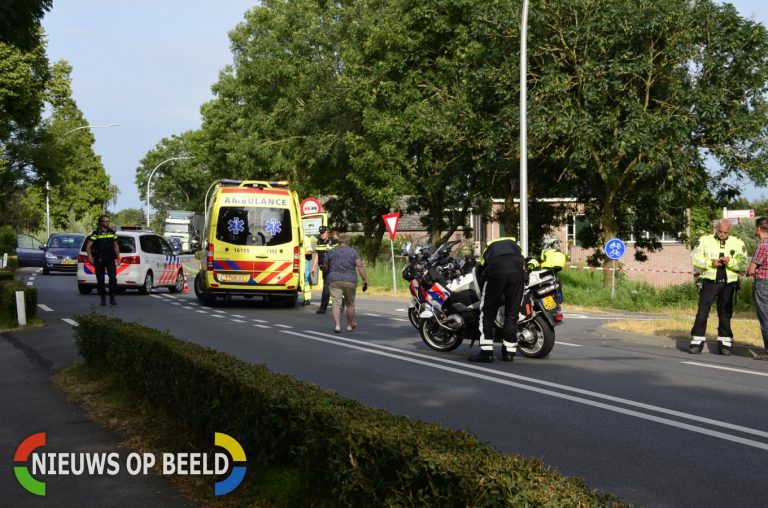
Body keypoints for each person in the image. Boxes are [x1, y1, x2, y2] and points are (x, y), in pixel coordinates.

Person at [689, 219, 748, 355]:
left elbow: (743, 263)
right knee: (702, 312)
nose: (722, 234)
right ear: (716, 229)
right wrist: (710, 263)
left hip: (728, 282)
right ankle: (697, 342)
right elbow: (695, 258)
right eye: (720, 231)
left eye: (725, 232)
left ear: (729, 231)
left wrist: (730, 262)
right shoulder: (705, 240)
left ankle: (725, 344)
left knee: (725, 314)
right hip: (709, 281)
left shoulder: (738, 243)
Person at [470, 237, 526, 363]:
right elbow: (522, 260)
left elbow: (482, 269)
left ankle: (486, 353)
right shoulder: (515, 246)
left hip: (497, 272)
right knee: (512, 315)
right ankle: (509, 353)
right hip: (517, 274)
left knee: (487, 313)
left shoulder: (489, 249)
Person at [322, 234, 368, 333]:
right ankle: (349, 325)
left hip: (334, 280)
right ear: (348, 241)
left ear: (339, 241)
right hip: (350, 280)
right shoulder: (353, 252)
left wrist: (326, 275)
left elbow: (325, 266)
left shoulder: (331, 251)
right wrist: (365, 279)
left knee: (336, 304)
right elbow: (360, 266)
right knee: (350, 304)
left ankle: (337, 326)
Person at [85, 214, 120, 306]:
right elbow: (88, 246)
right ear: (101, 222)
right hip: (99, 258)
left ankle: (112, 297)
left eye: (108, 221)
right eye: (105, 221)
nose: (107, 223)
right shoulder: (96, 233)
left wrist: (118, 258)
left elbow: (116, 246)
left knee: (113, 278)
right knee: (100, 280)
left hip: (110, 258)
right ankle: (103, 298)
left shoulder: (112, 232)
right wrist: (90, 256)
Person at [747, 217, 768, 360]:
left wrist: (747, 270)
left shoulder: (762, 244)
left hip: (763, 284)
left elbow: (751, 269)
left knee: (765, 318)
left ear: (759, 228)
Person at [310, 226, 338, 314]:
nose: (321, 235)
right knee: (329, 287)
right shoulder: (319, 241)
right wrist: (313, 267)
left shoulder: (333, 241)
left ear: (327, 232)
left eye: (323, 233)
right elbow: (317, 255)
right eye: (320, 233)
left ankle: (323, 308)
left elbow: (337, 255)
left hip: (332, 268)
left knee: (328, 287)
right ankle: (328, 307)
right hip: (324, 268)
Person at [302, 233, 316, 305]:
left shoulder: (306, 238)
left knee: (306, 279)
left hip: (304, 262)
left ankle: (307, 299)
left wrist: (300, 252)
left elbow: (310, 251)